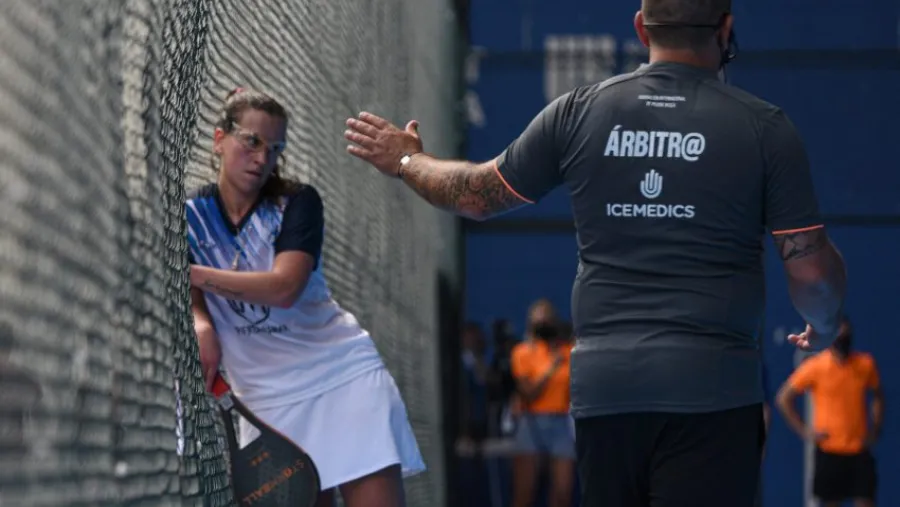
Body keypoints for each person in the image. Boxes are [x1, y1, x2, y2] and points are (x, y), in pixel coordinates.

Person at [341, 0, 848, 503]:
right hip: (713, 392)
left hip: (607, 394)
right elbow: (810, 274)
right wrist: (824, 327)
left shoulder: (580, 111)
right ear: (727, 29)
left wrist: (406, 158)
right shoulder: (765, 129)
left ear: (640, 29)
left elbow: (475, 194)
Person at [187, 87, 425, 507]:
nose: (263, 158)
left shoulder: (297, 203)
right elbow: (192, 297)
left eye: (275, 148)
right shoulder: (190, 215)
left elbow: (284, 288)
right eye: (252, 141)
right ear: (219, 139)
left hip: (339, 379)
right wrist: (201, 321)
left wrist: (191, 274)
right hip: (262, 403)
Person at [776, 319, 884, 507]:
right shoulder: (816, 366)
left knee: (866, 501)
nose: (843, 339)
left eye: (846, 335)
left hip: (858, 449)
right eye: (839, 335)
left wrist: (875, 428)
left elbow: (878, 396)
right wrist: (805, 431)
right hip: (829, 450)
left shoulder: (865, 364)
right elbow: (784, 398)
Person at [508, 300, 575, 507]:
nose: (544, 324)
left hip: (562, 422)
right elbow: (529, 393)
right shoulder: (522, 353)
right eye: (539, 321)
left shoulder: (569, 351)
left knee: (563, 493)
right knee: (524, 493)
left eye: (548, 320)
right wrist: (551, 370)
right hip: (531, 422)